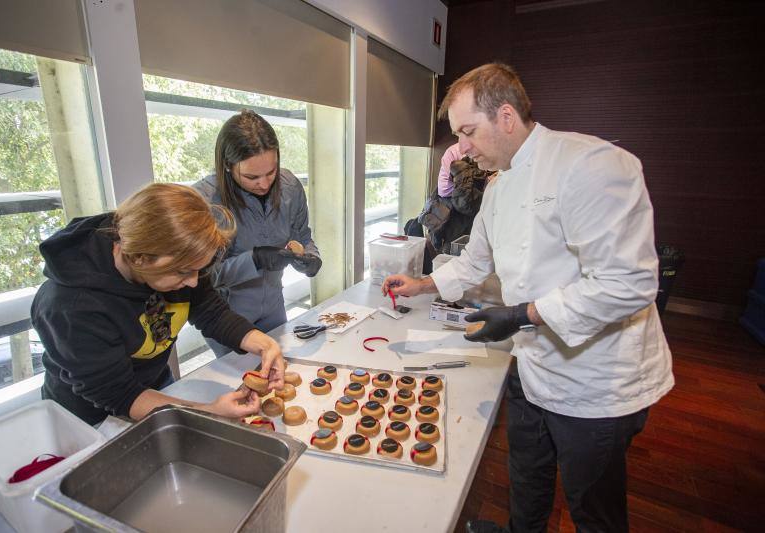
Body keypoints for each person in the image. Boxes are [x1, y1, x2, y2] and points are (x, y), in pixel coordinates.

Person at [383, 63, 674, 533]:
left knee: (591, 508)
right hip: (533, 363)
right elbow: (476, 261)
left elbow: (627, 284)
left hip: (596, 381)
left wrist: (523, 314)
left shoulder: (590, 165)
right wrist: (421, 286)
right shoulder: (498, 187)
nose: (462, 148)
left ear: (505, 116)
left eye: (468, 132)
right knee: (527, 478)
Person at [32, 183, 285, 426]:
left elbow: (211, 312)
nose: (194, 282)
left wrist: (263, 343)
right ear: (139, 258)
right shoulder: (70, 306)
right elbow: (121, 394)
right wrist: (208, 412)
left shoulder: (178, 261)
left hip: (153, 386)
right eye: (184, 273)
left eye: (199, 270)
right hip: (90, 420)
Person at [194, 110, 321, 356]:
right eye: (251, 176)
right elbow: (200, 278)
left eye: (271, 172)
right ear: (228, 167)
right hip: (227, 317)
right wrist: (254, 259)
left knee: (281, 372)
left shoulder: (290, 187)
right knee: (244, 384)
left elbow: (302, 236)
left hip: (274, 305)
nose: (264, 184)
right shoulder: (205, 200)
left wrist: (311, 257)